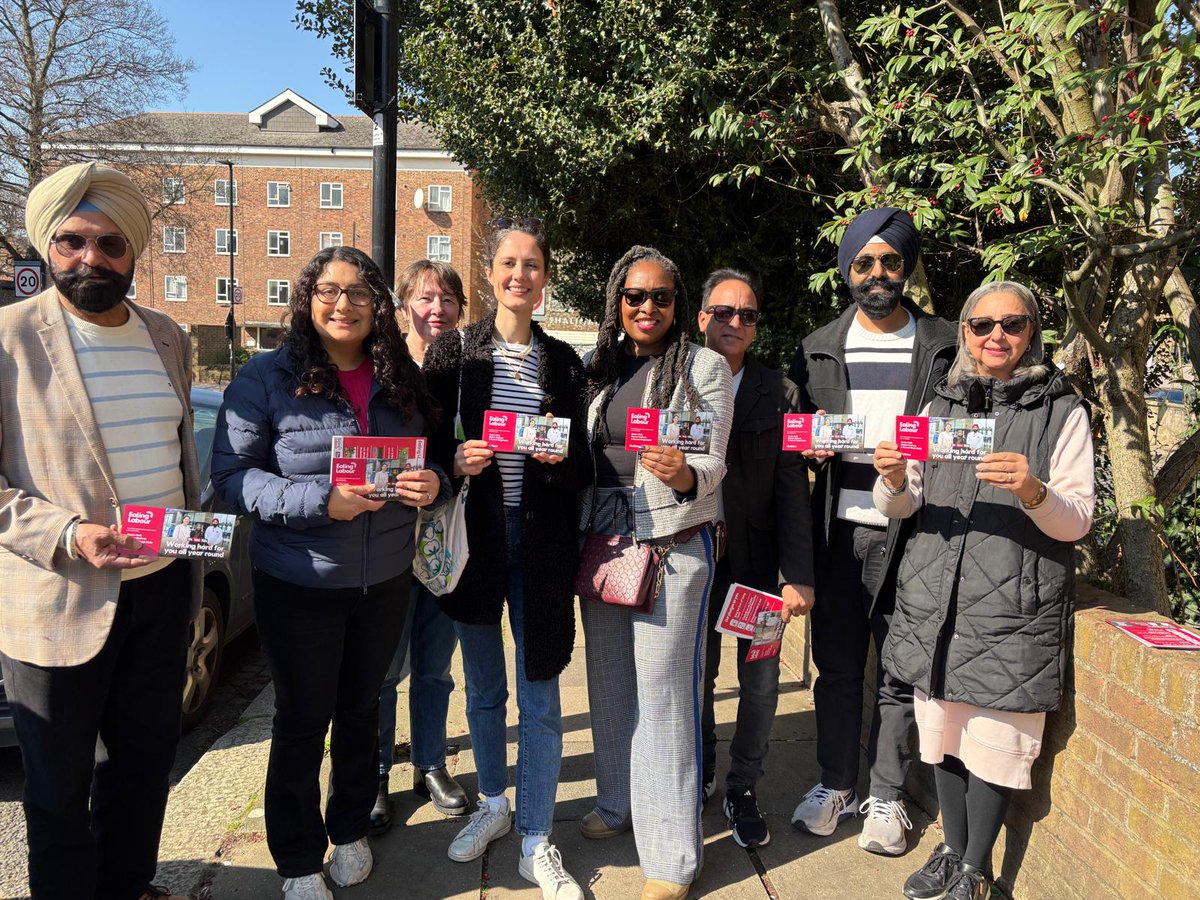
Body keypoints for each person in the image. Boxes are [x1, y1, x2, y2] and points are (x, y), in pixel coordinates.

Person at [212, 246, 446, 900]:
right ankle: (295, 858)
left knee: (361, 710)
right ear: (307, 300)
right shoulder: (265, 377)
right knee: (300, 721)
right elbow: (231, 477)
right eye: (329, 291)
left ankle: (349, 829)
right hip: (300, 584)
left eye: (359, 293)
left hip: (385, 580)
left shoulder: (401, 378)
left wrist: (435, 482)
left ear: (378, 306)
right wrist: (322, 501)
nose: (344, 305)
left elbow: (433, 460)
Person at [0, 161, 201, 900]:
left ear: (134, 251)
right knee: (57, 786)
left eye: (111, 244)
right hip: (60, 596)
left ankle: (128, 885)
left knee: (144, 766)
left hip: (162, 588)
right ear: (47, 246)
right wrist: (67, 532)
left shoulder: (167, 336)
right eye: (73, 241)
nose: (92, 257)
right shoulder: (8, 338)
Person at [872, 281, 1094, 900]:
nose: (997, 335)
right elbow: (902, 503)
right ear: (965, 332)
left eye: (1012, 324)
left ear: (1032, 333)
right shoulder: (938, 404)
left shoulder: (1062, 411)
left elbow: (1077, 520)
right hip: (935, 599)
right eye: (982, 324)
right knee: (944, 733)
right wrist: (893, 478)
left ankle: (975, 868)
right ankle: (949, 849)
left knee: (995, 743)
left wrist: (1033, 491)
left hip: (1012, 607)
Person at [422, 219, 592, 899]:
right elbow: (425, 447)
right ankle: (494, 803)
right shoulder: (452, 356)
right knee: (485, 688)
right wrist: (455, 460)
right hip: (477, 544)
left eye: (532, 264)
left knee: (541, 692)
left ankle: (536, 836)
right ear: (490, 273)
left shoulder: (565, 363)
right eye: (509, 263)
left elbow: (582, 466)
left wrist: (558, 456)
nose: (520, 275)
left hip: (542, 547)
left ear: (544, 277)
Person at [787, 207, 957, 856]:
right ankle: (836, 784)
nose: (877, 273)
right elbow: (797, 438)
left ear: (906, 267)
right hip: (838, 532)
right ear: (847, 271)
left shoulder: (945, 344)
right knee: (835, 668)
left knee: (898, 670)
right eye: (864, 262)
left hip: (913, 534)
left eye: (890, 261)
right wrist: (807, 450)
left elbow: (969, 430)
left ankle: (886, 796)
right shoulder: (817, 347)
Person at [579, 245, 733, 900]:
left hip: (672, 541)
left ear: (678, 304)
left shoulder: (703, 366)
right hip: (605, 542)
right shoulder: (601, 367)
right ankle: (618, 803)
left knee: (665, 694)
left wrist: (686, 472)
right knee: (610, 682)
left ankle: (671, 857)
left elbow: (715, 458)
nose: (647, 307)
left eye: (661, 297)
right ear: (617, 300)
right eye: (635, 296)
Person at [695, 269, 815, 850]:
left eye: (747, 315)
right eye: (724, 312)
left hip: (761, 570)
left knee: (762, 684)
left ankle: (743, 787)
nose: (735, 323)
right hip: (694, 561)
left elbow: (793, 487)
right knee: (696, 678)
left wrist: (798, 575)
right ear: (702, 318)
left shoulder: (781, 391)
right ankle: (700, 769)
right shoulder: (677, 382)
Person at [372, 259, 470, 832]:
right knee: (384, 670)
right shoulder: (380, 366)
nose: (438, 309)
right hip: (383, 537)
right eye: (427, 298)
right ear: (404, 302)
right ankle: (376, 772)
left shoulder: (465, 370)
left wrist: (447, 474)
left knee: (435, 666)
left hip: (446, 537)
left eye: (449, 300)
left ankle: (430, 763)